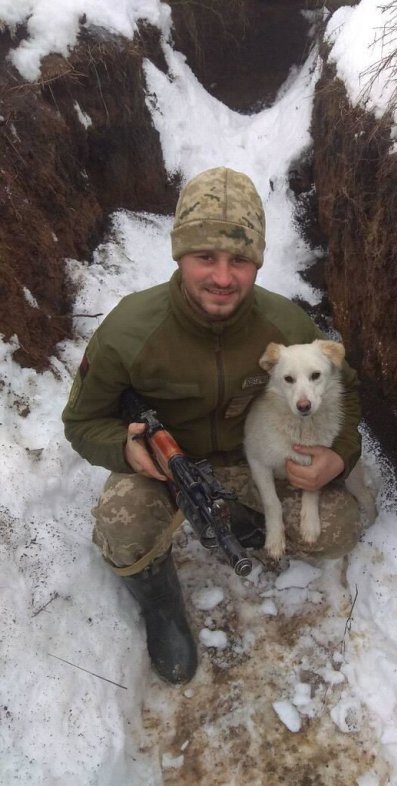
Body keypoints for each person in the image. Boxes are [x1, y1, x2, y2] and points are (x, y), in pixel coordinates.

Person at [62, 166, 365, 684]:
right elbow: (82, 421)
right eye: (206, 257)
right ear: (179, 254)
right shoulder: (128, 332)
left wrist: (339, 455)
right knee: (123, 526)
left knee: (335, 527)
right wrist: (125, 449)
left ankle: (240, 518)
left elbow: (347, 394)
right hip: (164, 468)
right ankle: (160, 607)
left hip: (256, 458)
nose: (223, 278)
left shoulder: (287, 326)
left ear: (257, 262)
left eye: (240, 260)